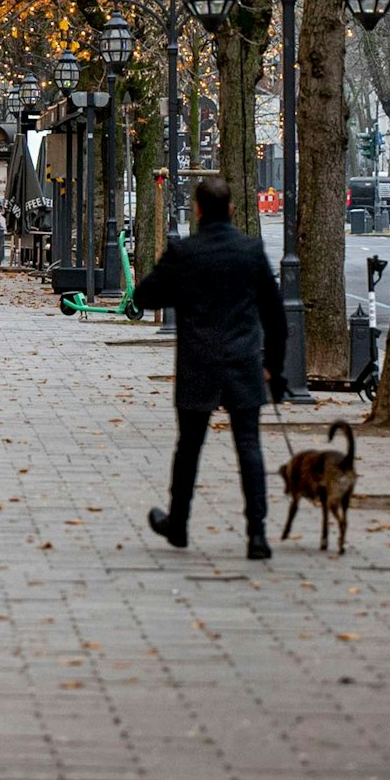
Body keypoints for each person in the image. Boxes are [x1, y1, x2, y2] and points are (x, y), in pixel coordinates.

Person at [135, 176, 287, 560]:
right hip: (242, 360)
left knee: (188, 447)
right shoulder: (251, 251)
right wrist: (273, 366)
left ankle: (179, 525)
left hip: (198, 362)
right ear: (232, 209)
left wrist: (181, 289)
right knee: (249, 447)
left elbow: (145, 295)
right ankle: (257, 533)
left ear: (198, 210)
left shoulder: (185, 253)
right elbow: (275, 316)